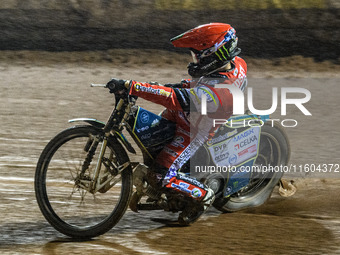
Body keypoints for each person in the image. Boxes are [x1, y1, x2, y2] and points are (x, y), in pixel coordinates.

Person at [107, 23, 248, 224]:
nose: (195, 60)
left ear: (213, 55)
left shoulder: (222, 92)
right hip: (186, 112)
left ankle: (202, 194)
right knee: (152, 143)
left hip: (193, 131)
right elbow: (189, 92)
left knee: (160, 175)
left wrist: (134, 87)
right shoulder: (237, 63)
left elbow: (176, 99)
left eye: (198, 55)